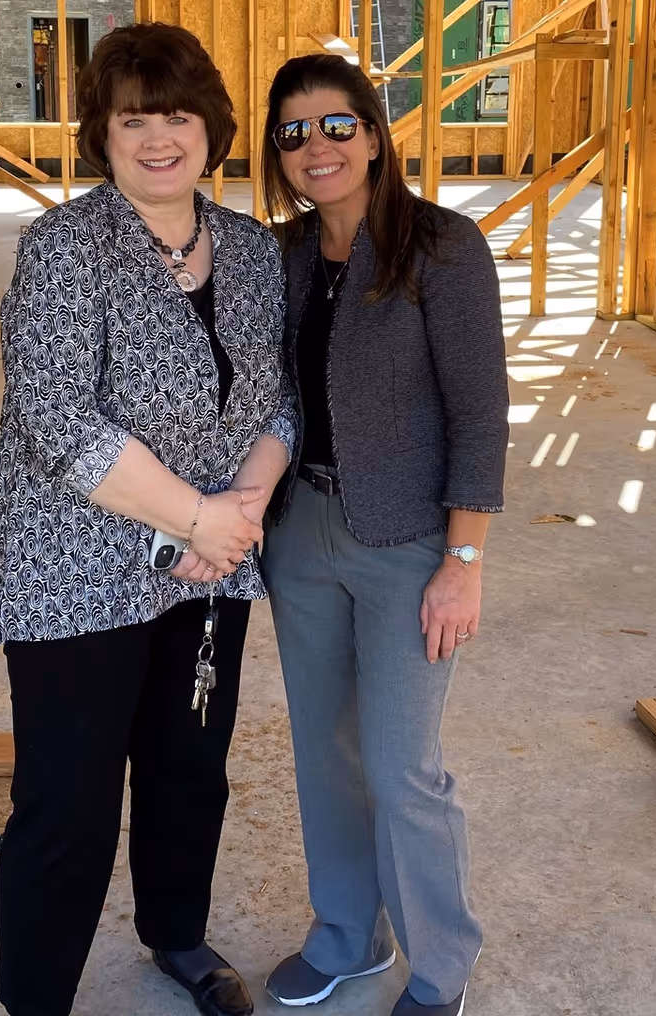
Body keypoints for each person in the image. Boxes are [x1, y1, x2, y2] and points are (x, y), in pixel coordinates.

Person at [0, 23, 294, 1016]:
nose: (159, 137)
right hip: (76, 570)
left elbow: (281, 398)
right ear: (101, 133)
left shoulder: (250, 249)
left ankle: (177, 936)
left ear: (211, 127)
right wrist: (202, 518)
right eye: (134, 118)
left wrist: (240, 512)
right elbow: (58, 425)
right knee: (67, 803)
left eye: (177, 115)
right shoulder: (66, 247)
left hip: (210, 570)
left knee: (188, 769)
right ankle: (36, 997)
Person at [257, 53, 508, 1016]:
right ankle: (347, 936)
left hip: (407, 542)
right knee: (326, 750)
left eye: (334, 125)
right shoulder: (280, 256)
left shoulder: (442, 246)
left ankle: (441, 964)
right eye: (292, 133)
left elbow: (480, 415)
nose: (315, 147)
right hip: (301, 532)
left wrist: (464, 560)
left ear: (373, 131)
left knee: (404, 764)